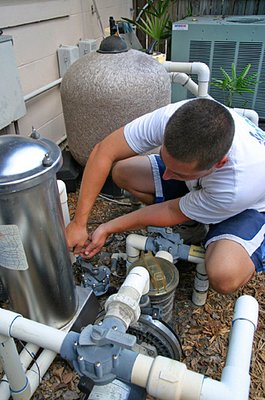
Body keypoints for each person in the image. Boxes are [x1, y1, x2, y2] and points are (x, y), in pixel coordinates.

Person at [65, 98, 265, 294]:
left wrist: (108, 227)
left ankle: (240, 238)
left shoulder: (237, 184)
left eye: (178, 173)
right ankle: (195, 221)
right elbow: (105, 150)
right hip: (207, 187)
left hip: (250, 207)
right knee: (123, 172)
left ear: (219, 163)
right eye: (164, 159)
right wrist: (79, 222)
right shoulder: (176, 118)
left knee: (224, 275)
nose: (167, 175)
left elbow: (171, 209)